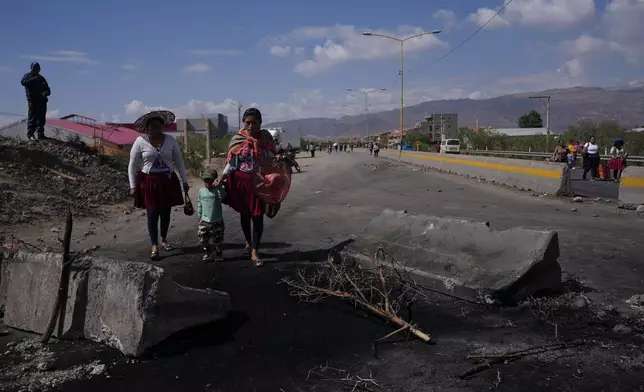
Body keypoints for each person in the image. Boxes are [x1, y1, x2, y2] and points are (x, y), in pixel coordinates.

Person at [219, 108, 277, 267]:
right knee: (245, 215)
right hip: (241, 182)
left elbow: (273, 159)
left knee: (258, 216)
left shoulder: (266, 138)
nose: (250, 126)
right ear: (244, 123)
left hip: (259, 183)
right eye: (247, 123)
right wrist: (221, 177)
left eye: (254, 123)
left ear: (260, 123)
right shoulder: (238, 138)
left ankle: (255, 251)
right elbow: (232, 162)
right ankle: (248, 242)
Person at [128, 110, 189, 260]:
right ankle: (154, 245)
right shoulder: (140, 142)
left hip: (167, 180)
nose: (152, 129)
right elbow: (132, 165)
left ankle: (164, 239)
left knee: (166, 212)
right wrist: (132, 186)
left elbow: (179, 162)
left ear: (162, 127)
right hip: (149, 181)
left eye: (156, 126)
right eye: (150, 127)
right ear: (146, 128)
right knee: (152, 213)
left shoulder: (170, 140)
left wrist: (185, 181)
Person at [197, 165, 226, 262]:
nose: (208, 183)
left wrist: (220, 187)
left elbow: (223, 196)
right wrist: (199, 216)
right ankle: (207, 252)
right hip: (204, 220)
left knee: (218, 239)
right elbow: (199, 204)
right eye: (206, 181)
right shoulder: (201, 191)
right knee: (203, 239)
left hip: (217, 220)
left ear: (214, 180)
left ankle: (218, 253)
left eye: (210, 180)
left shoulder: (217, 191)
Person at [20, 62, 50, 141]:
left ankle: (40, 134)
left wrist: (45, 93)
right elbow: (23, 82)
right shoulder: (27, 76)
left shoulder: (41, 78)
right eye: (34, 68)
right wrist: (33, 79)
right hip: (33, 101)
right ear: (31, 68)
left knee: (41, 119)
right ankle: (30, 135)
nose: (36, 70)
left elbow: (48, 90)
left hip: (42, 101)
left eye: (37, 68)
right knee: (32, 118)